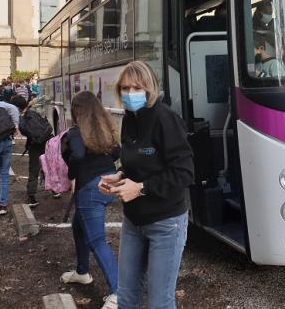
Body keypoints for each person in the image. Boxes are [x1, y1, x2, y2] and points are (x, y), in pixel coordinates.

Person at [99, 61, 194, 309]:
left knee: (159, 303)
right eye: (125, 88)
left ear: (150, 88)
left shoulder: (166, 119)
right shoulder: (129, 119)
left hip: (166, 223)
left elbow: (184, 173)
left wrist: (141, 188)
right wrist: (118, 176)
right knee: (127, 297)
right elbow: (137, 163)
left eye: (137, 88)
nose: (131, 94)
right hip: (133, 221)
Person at [60, 92, 119, 309]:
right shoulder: (104, 130)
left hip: (90, 189)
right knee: (78, 225)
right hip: (109, 185)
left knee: (96, 240)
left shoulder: (76, 133)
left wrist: (71, 174)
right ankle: (82, 272)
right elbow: (116, 153)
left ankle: (118, 292)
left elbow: (78, 156)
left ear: (77, 112)